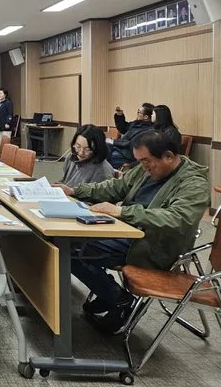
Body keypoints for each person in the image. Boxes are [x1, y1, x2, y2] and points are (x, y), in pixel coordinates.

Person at [56, 132, 209, 334]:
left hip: (153, 246)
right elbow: (116, 186)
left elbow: (177, 218)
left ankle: (119, 300)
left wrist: (123, 212)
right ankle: (109, 294)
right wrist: (75, 191)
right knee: (66, 240)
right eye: (140, 161)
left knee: (70, 248)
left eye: (146, 161)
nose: (144, 167)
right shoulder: (145, 169)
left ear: (168, 156)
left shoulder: (194, 184)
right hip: (127, 232)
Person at [110, 102, 154, 167]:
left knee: (104, 156)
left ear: (146, 117)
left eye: (139, 112)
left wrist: (114, 142)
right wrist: (119, 115)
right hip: (120, 149)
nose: (137, 114)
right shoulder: (137, 123)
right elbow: (123, 128)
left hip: (127, 155)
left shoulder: (149, 130)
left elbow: (131, 143)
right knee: (101, 149)